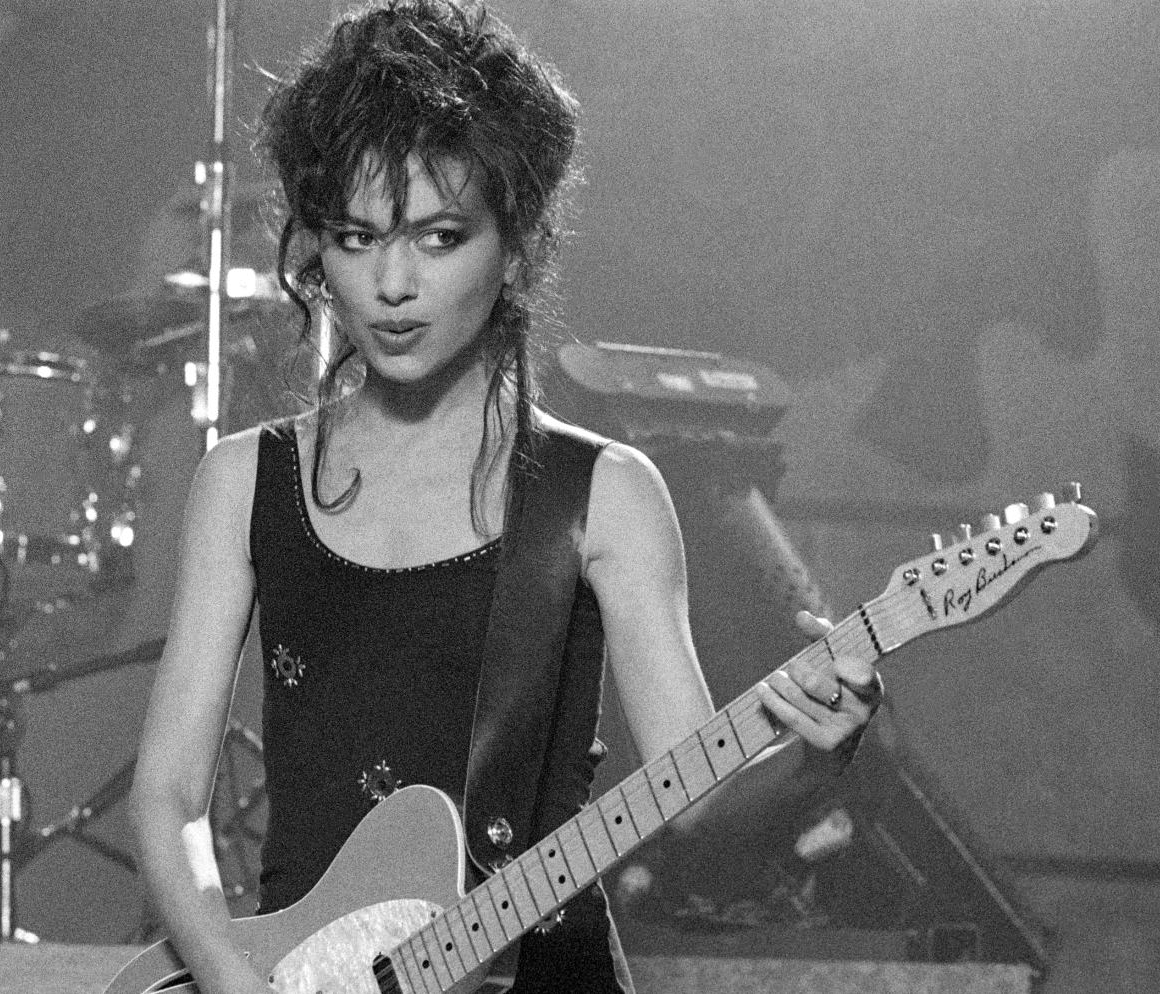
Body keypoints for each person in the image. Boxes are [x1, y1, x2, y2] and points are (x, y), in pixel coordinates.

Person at [127, 2, 882, 992]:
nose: (391, 282)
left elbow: (695, 800)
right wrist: (230, 973)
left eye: (438, 237)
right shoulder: (244, 480)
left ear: (514, 238)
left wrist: (813, 758)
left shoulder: (604, 496)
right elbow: (167, 793)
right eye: (355, 238)